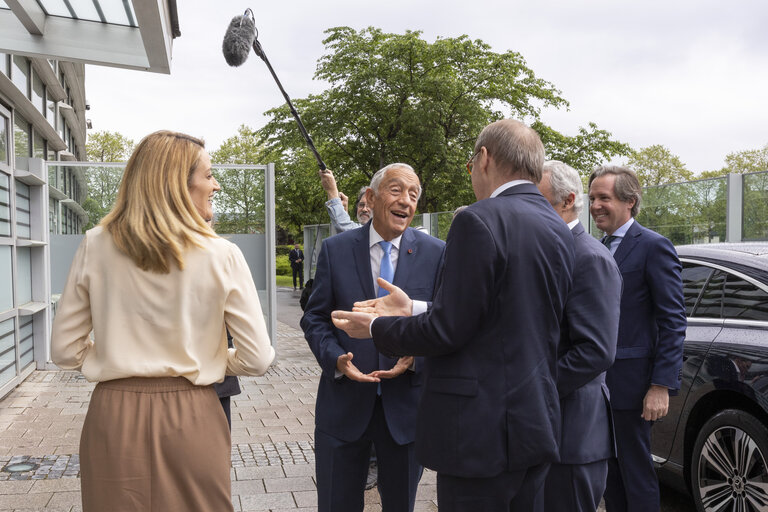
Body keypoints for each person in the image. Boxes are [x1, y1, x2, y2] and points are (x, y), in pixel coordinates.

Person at [333, 119, 575, 511]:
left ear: (483, 158)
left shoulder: (478, 218)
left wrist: (376, 327)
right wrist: (413, 307)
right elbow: (503, 313)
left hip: (478, 435)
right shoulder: (557, 227)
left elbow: (449, 329)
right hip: (535, 426)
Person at [50, 130, 275, 512]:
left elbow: (63, 351)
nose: (215, 184)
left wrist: (112, 355)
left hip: (113, 414)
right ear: (177, 184)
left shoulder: (94, 243)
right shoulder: (223, 254)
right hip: (194, 414)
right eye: (207, 174)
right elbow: (257, 358)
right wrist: (211, 357)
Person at [300, 163, 445, 512]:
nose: (407, 201)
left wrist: (415, 357)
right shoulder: (336, 250)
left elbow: (443, 323)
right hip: (344, 405)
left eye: (414, 194)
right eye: (397, 190)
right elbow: (315, 318)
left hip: (405, 410)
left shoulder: (435, 253)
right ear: (371, 197)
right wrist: (335, 358)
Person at [588, 165, 686, 512]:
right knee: (609, 475)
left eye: (604, 198)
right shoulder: (600, 247)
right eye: (592, 198)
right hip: (599, 386)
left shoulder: (654, 246)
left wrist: (661, 385)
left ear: (630, 201)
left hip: (634, 386)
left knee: (636, 472)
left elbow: (673, 320)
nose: (595, 205)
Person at [536, 160, 622, 511]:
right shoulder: (549, 251)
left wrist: (534, 388)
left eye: (536, 200)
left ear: (568, 200)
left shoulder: (589, 258)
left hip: (573, 438)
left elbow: (596, 350)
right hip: (545, 431)